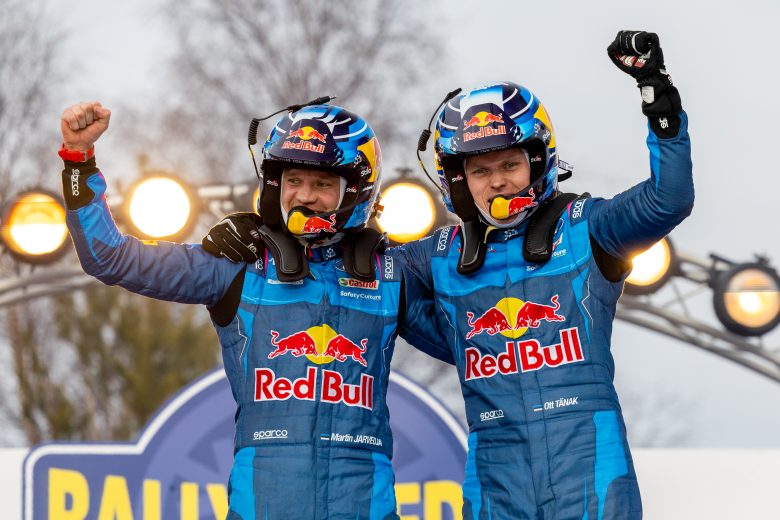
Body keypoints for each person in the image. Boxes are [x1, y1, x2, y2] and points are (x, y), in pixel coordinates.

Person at [202, 30, 693, 519]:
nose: (497, 182)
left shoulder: (587, 229)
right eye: (480, 171)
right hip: (495, 483)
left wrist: (658, 98)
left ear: (538, 161)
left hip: (590, 469)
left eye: (509, 164)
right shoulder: (434, 257)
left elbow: (667, 199)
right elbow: (340, 268)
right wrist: (261, 230)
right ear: (458, 183)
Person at [59, 102, 450, 520]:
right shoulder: (237, 266)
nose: (304, 195)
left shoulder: (391, 275)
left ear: (357, 191)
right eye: (293, 180)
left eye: (322, 183)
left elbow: (479, 348)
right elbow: (110, 258)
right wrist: (79, 161)